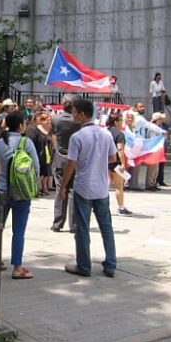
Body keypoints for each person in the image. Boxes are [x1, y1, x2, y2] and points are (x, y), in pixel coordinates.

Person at [59, 98, 118, 278]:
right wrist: (97, 161)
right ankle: (111, 264)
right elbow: (113, 158)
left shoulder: (78, 137)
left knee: (82, 228)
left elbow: (71, 164)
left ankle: (84, 266)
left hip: (83, 186)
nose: (73, 115)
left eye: (75, 112)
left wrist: (63, 186)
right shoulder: (106, 134)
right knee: (106, 227)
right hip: (101, 187)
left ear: (83, 114)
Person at [0, 111, 40, 280]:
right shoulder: (26, 143)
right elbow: (36, 168)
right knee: (18, 232)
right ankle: (17, 268)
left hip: (1, 193)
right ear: (20, 125)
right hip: (21, 194)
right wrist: (34, 188)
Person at [51, 94, 81, 232]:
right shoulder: (78, 121)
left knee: (60, 190)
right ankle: (73, 225)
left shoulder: (55, 119)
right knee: (73, 191)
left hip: (60, 158)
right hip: (75, 159)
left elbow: (53, 136)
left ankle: (57, 223)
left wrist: (56, 151)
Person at [107, 112, 132, 215]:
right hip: (116, 162)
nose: (123, 122)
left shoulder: (105, 132)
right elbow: (120, 149)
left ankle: (98, 205)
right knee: (119, 186)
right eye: (121, 120)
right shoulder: (119, 134)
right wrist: (123, 163)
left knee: (105, 185)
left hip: (105, 161)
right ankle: (121, 208)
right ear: (116, 122)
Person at [145, 112, 166, 191]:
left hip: (157, 149)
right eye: (160, 119)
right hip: (152, 149)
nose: (161, 121)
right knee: (152, 168)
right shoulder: (152, 127)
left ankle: (153, 183)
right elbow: (152, 139)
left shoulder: (157, 127)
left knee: (156, 168)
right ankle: (149, 184)